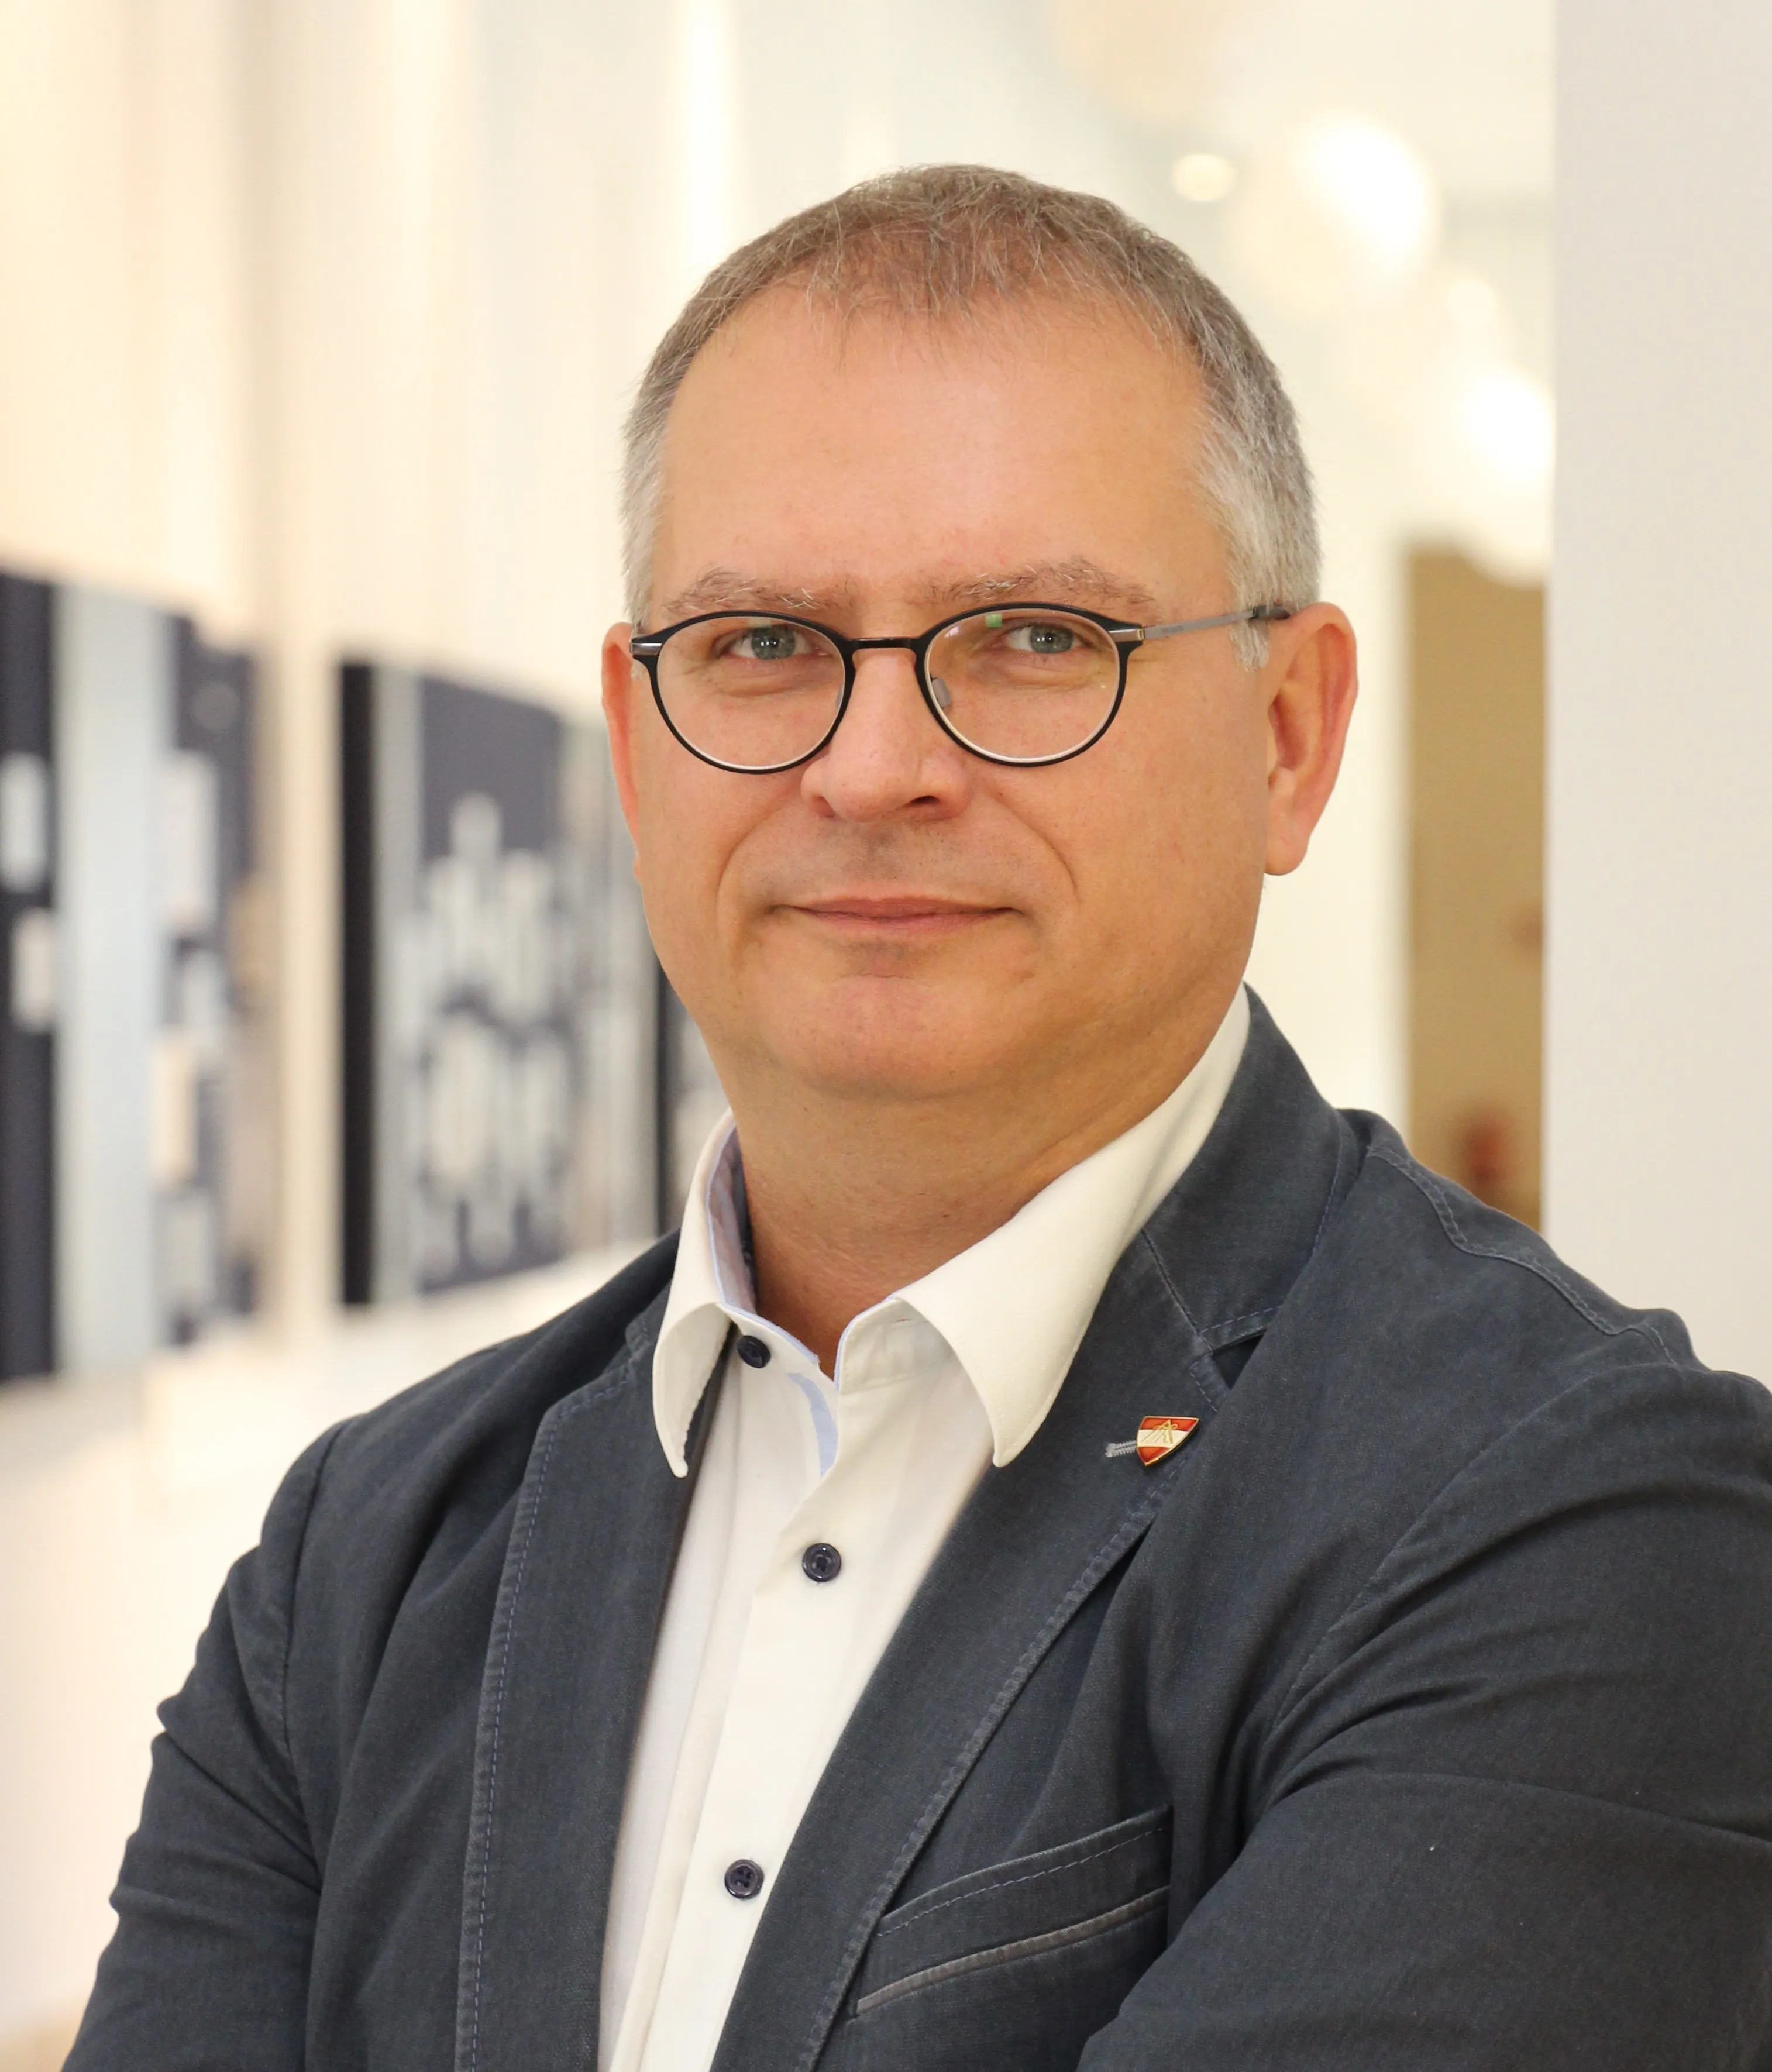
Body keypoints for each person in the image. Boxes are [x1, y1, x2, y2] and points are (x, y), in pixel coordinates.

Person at [70, 166, 1772, 2072]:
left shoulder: (1585, 1523)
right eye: (762, 645)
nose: (872, 766)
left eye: (1035, 636)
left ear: (1287, 734)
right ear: (635, 758)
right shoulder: (364, 1561)